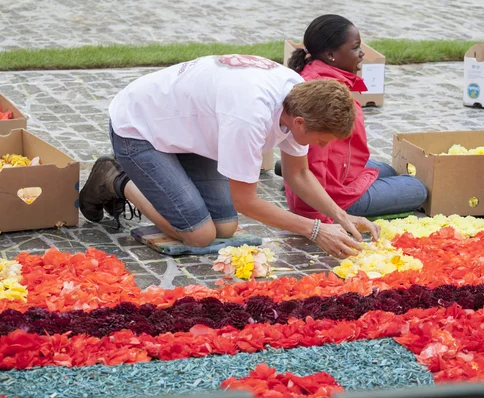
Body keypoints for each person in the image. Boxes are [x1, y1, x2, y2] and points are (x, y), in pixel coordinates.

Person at [79, 54, 380, 258]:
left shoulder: (301, 100)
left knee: (225, 228)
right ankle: (117, 179)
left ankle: (165, 180)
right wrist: (315, 230)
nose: (324, 148)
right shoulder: (250, 117)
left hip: (189, 133)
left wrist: (341, 216)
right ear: (300, 123)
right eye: (322, 141)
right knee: (200, 235)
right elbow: (245, 201)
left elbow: (297, 173)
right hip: (139, 127)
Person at [281, 15, 427, 223]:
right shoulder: (323, 96)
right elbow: (313, 160)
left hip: (339, 172)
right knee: (417, 188)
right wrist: (319, 216)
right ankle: (290, 177)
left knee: (387, 169)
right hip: (333, 198)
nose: (362, 53)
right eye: (355, 47)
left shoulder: (316, 73)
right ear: (331, 54)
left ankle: (286, 173)